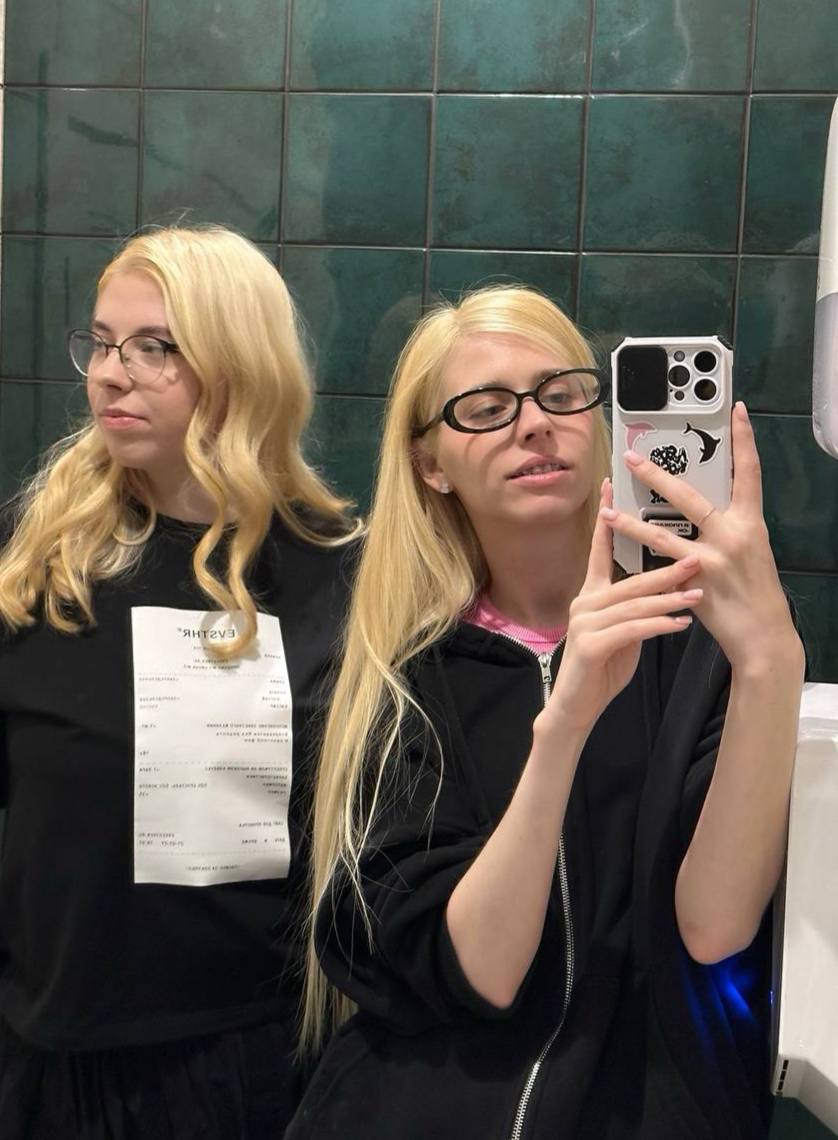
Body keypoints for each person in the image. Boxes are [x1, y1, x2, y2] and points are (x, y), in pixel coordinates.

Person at [288, 286, 805, 1140]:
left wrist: (770, 658)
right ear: (431, 464)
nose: (532, 424)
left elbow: (714, 928)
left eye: (561, 394)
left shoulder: (702, 646)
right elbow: (482, 973)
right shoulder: (396, 675)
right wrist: (564, 724)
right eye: (485, 409)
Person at [0, 225, 360, 1139]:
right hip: (45, 1043)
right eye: (102, 343)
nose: (111, 375)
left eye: (156, 348)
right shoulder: (40, 560)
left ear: (239, 368)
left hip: (243, 1052)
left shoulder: (334, 572)